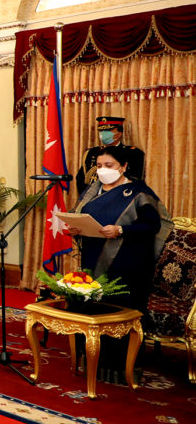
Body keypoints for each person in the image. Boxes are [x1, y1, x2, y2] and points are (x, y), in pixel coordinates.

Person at [67, 145, 172, 379]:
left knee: (118, 315)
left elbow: (152, 225)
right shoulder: (92, 190)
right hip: (93, 260)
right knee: (94, 311)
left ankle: (122, 370)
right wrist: (75, 228)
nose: (103, 170)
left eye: (109, 165)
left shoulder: (139, 192)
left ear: (123, 167)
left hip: (128, 265)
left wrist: (121, 230)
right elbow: (80, 215)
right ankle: (93, 363)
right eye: (99, 166)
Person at [76, 116, 145, 193]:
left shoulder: (132, 153)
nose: (103, 134)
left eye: (108, 131)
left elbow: (134, 179)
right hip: (92, 196)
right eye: (101, 131)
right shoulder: (91, 152)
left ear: (119, 134)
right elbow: (81, 179)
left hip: (119, 195)